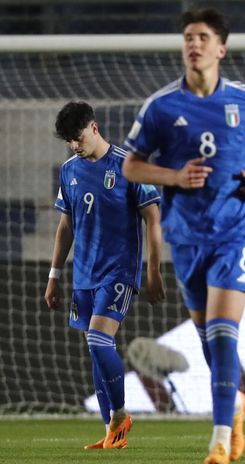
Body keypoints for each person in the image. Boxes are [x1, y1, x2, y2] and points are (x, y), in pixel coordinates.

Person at [121, 8, 245, 464]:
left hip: (235, 231)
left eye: (203, 37)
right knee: (209, 341)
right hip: (186, 236)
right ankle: (237, 405)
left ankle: (220, 440)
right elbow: (130, 165)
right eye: (188, 37)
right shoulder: (161, 106)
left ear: (220, 49)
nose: (194, 44)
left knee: (226, 335)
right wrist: (173, 175)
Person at [44, 101, 165, 450]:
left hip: (119, 271)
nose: (75, 145)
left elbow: (153, 217)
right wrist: (54, 275)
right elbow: (65, 225)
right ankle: (112, 431)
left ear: (94, 128)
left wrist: (153, 270)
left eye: (78, 137)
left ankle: (122, 413)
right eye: (69, 141)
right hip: (83, 275)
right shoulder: (69, 170)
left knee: (98, 339)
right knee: (94, 347)